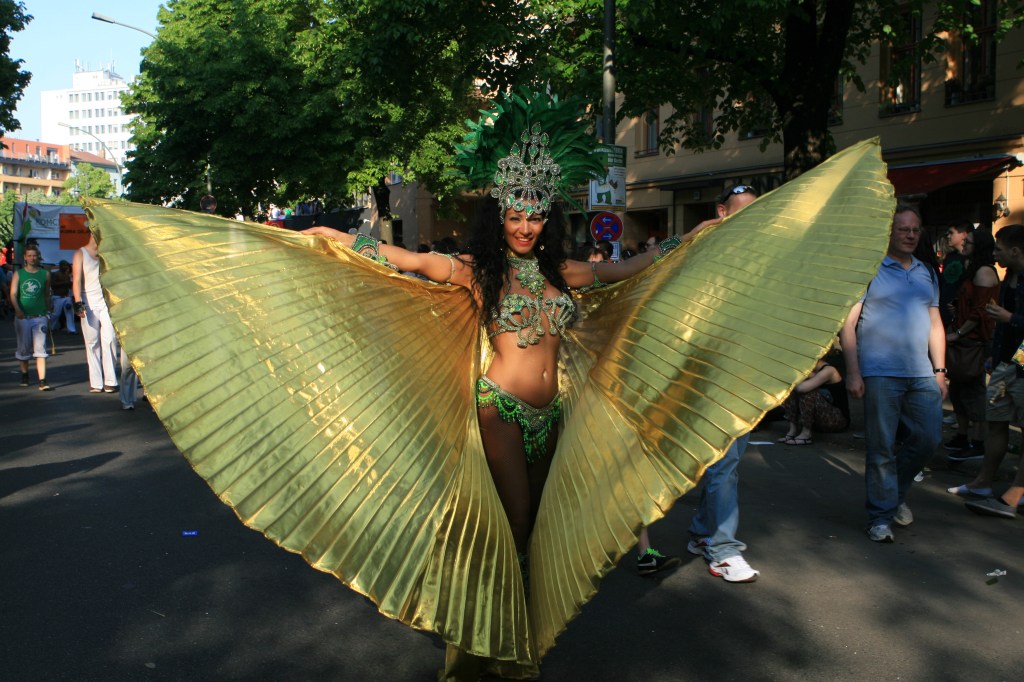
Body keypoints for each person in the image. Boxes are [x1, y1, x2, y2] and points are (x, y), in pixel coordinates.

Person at [303, 128, 693, 674]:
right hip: (500, 409)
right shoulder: (478, 271)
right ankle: (493, 649)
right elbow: (411, 263)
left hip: (550, 413)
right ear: (500, 218)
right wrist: (340, 239)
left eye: (534, 217)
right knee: (514, 521)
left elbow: (630, 269)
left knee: (534, 530)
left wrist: (691, 239)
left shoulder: (566, 273)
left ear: (545, 220)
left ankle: (507, 629)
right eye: (514, 216)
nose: (525, 227)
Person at [840, 203, 946, 543]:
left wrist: (941, 370)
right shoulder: (869, 269)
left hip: (921, 371)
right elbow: (849, 325)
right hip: (880, 372)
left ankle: (894, 493)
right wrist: (853, 371)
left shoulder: (926, 272)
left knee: (929, 439)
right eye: (904, 229)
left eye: (915, 230)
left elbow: (935, 324)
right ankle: (881, 516)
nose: (911, 235)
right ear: (889, 233)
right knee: (881, 447)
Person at [680, 184, 762, 582]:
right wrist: (685, 239)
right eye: (741, 209)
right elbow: (654, 268)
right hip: (709, 373)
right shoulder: (700, 251)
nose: (750, 217)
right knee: (725, 462)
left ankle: (700, 533)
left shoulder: (763, 257)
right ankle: (723, 549)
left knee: (724, 462)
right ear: (722, 211)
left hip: (747, 374)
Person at [950, 224, 1024, 519]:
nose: (995, 254)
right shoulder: (1009, 278)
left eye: (999, 249)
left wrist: (1010, 317)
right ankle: (983, 482)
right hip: (1007, 362)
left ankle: (1015, 493)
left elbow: (1007, 319)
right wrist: (995, 355)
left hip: (1022, 364)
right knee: (997, 421)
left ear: (1016, 250)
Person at [944, 229, 999, 461]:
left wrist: (958, 332)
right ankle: (963, 434)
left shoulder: (985, 272)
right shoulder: (973, 269)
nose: (964, 242)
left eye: (970, 241)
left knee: (973, 391)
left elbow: (980, 312)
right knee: (958, 389)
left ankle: (977, 441)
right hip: (965, 340)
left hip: (974, 342)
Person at [73, 233, 120, 393]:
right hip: (88, 301)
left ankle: (110, 381)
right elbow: (77, 280)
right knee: (92, 342)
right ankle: (96, 382)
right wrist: (78, 302)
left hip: (106, 301)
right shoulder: (81, 253)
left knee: (110, 339)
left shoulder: (105, 254)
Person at [778, 346, 849, 445]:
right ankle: (793, 430)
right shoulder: (811, 371)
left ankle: (806, 434)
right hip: (818, 420)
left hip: (836, 420)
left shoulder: (829, 370)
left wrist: (799, 376)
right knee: (791, 392)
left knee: (806, 391)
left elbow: (801, 388)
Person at [10, 244, 54, 390]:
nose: (32, 258)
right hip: (23, 317)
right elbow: (13, 294)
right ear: (25, 257)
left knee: (40, 348)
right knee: (23, 348)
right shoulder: (19, 274)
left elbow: (47, 294)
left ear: (38, 256)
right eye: (29, 255)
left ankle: (43, 380)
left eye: (34, 255)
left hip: (39, 316)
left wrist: (49, 311)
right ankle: (25, 375)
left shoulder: (45, 274)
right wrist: (17, 309)